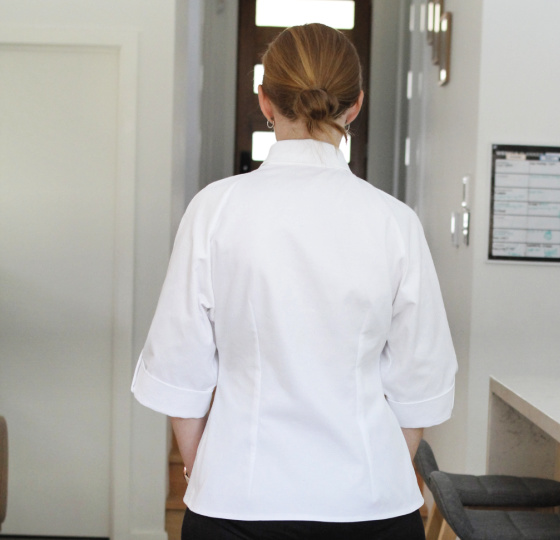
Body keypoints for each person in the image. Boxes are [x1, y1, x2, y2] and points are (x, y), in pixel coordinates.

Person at [132, 23, 457, 540]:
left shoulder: (215, 210)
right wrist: (372, 477)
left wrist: (203, 471)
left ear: (264, 100)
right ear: (356, 105)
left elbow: (180, 370)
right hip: (370, 504)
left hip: (236, 498)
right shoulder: (394, 222)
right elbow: (419, 380)